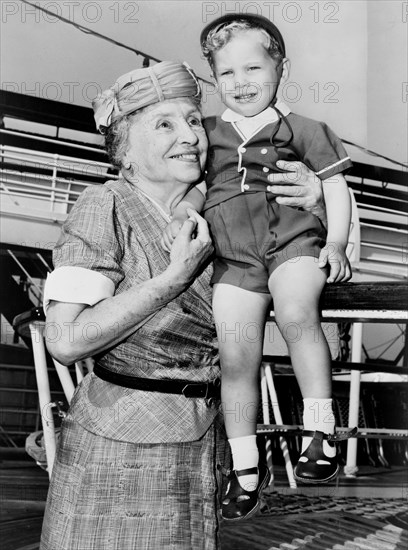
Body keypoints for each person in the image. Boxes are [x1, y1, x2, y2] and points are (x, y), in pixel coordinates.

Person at [40, 60, 327, 549]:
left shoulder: (217, 216)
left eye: (195, 120)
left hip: (201, 447)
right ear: (125, 155)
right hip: (120, 447)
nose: (192, 135)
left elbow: (295, 272)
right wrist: (173, 277)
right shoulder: (105, 204)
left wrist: (316, 200)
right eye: (165, 124)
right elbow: (65, 341)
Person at [162, 14, 355, 523]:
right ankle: (246, 467)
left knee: (296, 314)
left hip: (292, 243)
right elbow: (197, 186)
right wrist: (186, 206)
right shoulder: (207, 133)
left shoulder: (307, 130)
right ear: (213, 78)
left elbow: (336, 188)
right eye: (227, 73)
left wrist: (335, 242)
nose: (241, 82)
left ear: (281, 68)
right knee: (235, 355)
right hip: (235, 258)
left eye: (253, 68)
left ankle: (321, 433)